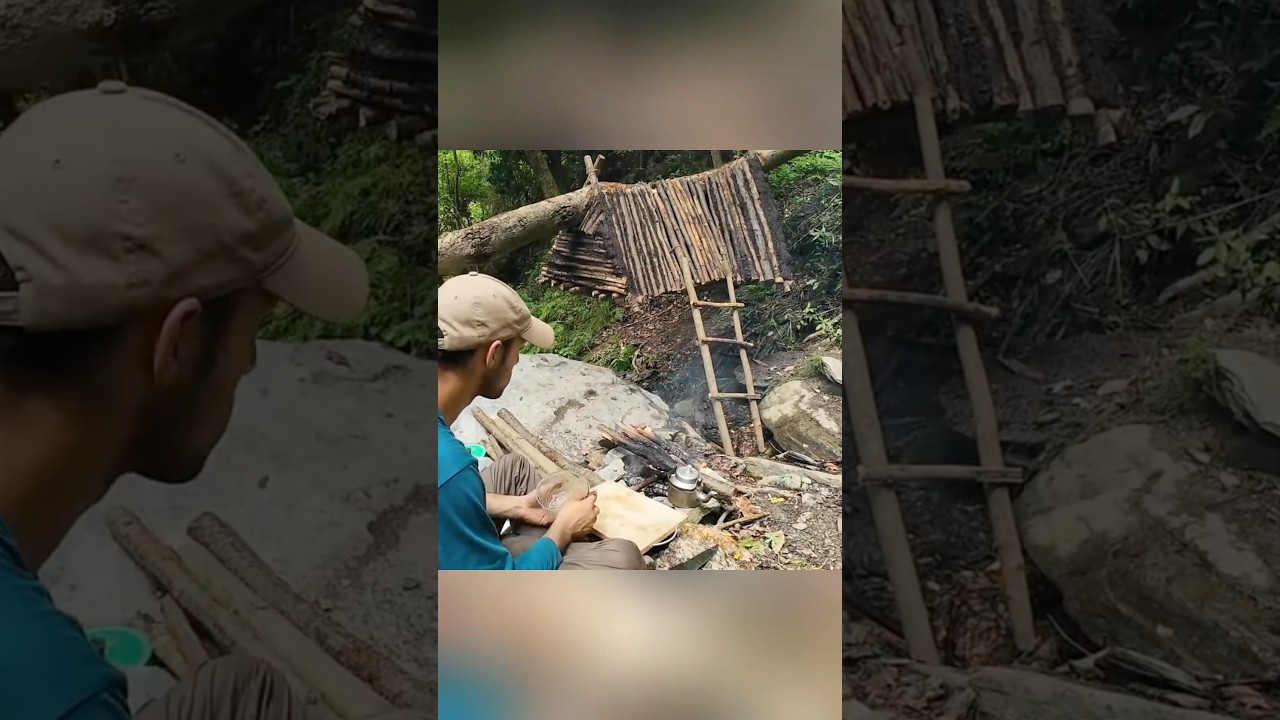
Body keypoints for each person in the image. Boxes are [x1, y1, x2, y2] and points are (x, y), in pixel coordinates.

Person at [0, 82, 391, 719]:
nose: (250, 362)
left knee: (240, 692)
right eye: (252, 329)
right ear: (175, 344)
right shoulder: (55, 689)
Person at [437, 272, 646, 570]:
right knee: (624, 559)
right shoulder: (450, 468)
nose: (518, 361)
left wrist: (519, 506)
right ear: (493, 354)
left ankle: (515, 546)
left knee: (515, 469)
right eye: (518, 350)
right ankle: (521, 553)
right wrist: (562, 532)